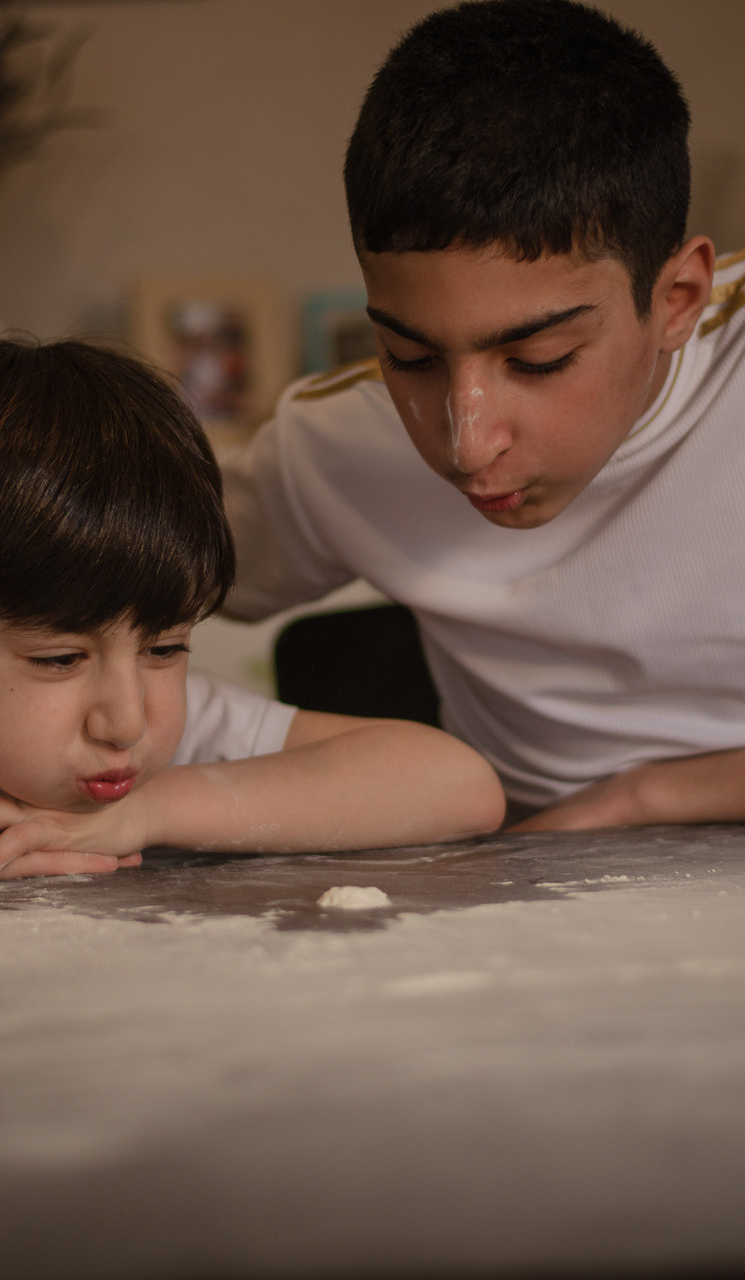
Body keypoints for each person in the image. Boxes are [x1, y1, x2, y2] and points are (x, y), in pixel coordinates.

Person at [222, 0, 745, 830]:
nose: (468, 445)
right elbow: (59, 594)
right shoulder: (333, 445)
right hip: (518, 883)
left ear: (677, 298)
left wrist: (640, 798)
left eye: (539, 361)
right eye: (410, 357)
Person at [0, 339, 504, 885]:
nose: (126, 722)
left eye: (164, 649)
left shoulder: (178, 739)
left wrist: (149, 810)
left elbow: (461, 786)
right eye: (59, 659)